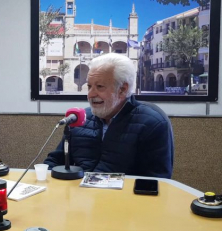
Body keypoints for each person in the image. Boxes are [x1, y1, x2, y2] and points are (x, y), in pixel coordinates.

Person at [44, 53, 173, 178]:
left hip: (123, 198)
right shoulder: (80, 119)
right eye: (89, 86)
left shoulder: (152, 123)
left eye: (99, 87)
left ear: (122, 89)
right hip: (79, 196)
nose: (90, 95)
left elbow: (156, 181)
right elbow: (55, 161)